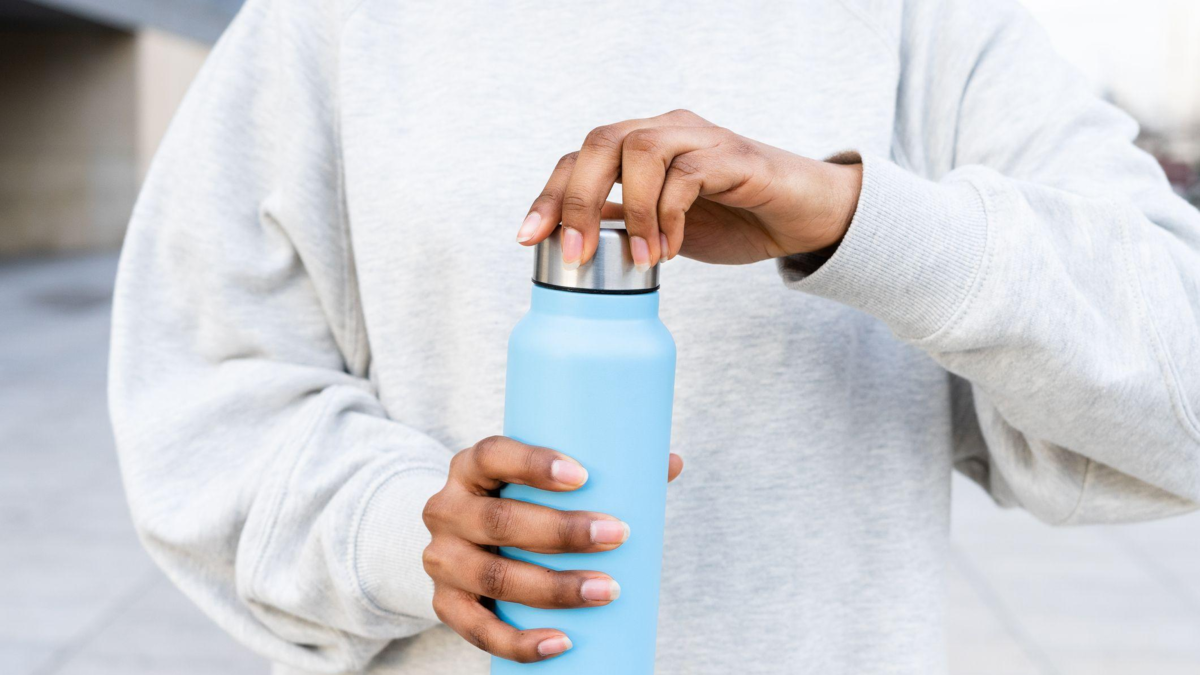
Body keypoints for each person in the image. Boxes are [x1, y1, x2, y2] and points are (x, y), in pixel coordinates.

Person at [108, 0, 1200, 673]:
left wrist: (858, 218)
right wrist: (409, 531)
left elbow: (1181, 381)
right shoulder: (330, 21)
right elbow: (202, 400)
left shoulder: (925, 20)